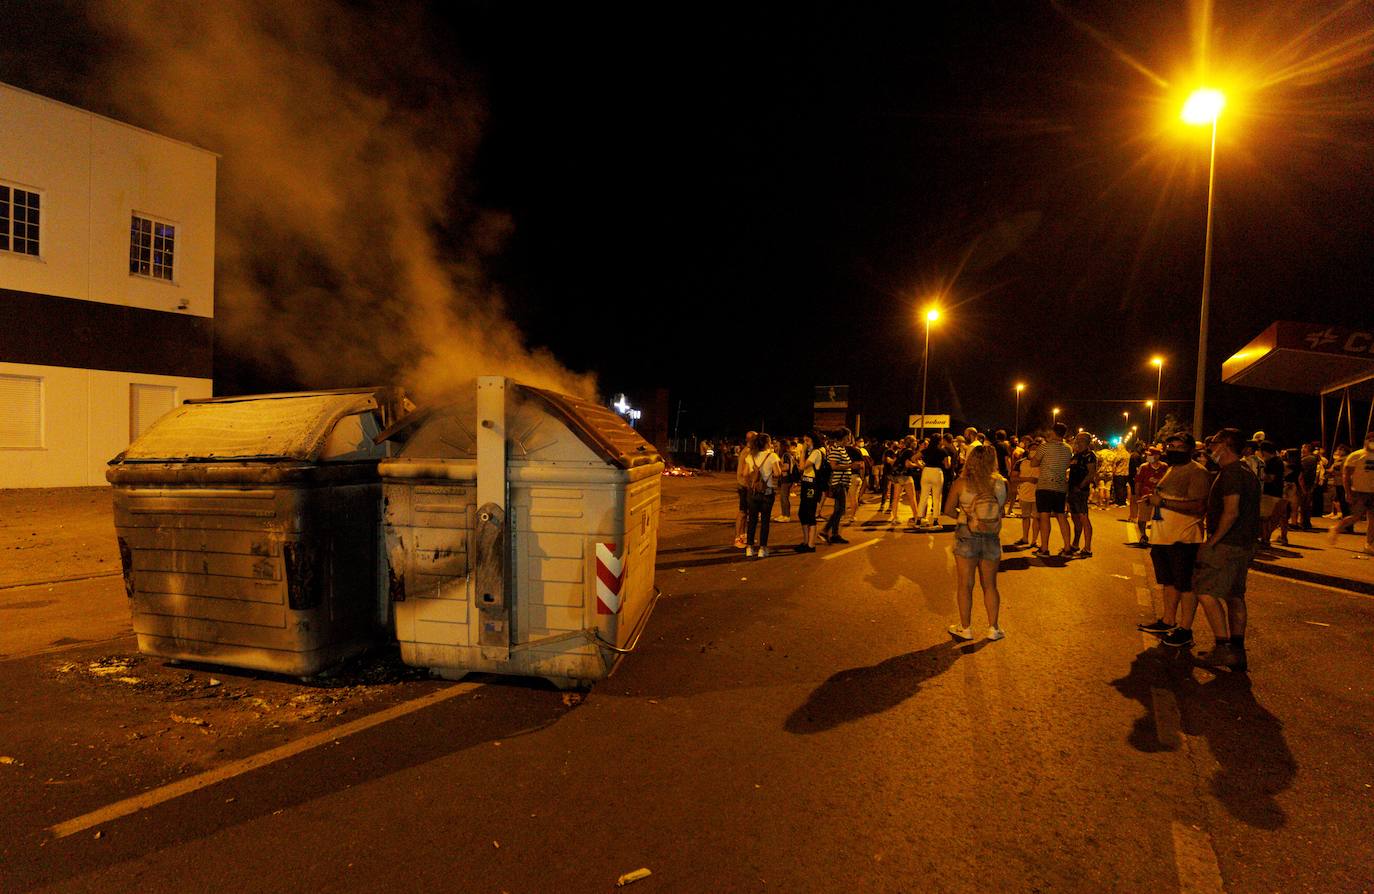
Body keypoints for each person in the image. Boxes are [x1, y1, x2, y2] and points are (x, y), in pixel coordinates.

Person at [1167, 429, 1262, 671]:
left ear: (1226, 445)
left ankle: (1223, 648)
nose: (1211, 448)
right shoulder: (1246, 472)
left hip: (1227, 544)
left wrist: (1212, 541)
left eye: (1215, 443)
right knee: (1235, 596)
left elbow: (1231, 511)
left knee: (1205, 592)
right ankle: (1238, 651)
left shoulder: (1230, 474)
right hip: (1244, 543)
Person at [1142, 434, 1212, 642]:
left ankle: (1185, 629)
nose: (1173, 450)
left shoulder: (1197, 472)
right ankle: (1168, 620)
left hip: (1184, 539)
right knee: (1169, 582)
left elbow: (1199, 507)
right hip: (1163, 537)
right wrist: (1154, 500)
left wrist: (1162, 503)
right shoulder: (1172, 469)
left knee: (1186, 585)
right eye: (1171, 446)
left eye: (1180, 447)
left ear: (1191, 450)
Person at [943, 444, 1007, 642]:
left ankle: (965, 628)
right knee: (990, 585)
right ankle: (993, 628)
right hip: (991, 536)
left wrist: (966, 516)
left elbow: (947, 510)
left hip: (966, 534)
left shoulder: (961, 483)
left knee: (965, 584)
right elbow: (1001, 508)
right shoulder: (1001, 483)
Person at [1329, 431, 1374, 555]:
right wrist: (1347, 492)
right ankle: (1336, 529)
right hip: (1359, 491)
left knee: (1372, 520)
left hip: (1373, 491)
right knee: (1356, 517)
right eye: (1370, 439)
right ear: (1366, 441)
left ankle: (1368, 544)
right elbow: (1346, 475)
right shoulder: (1356, 455)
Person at [1033, 422, 1074, 558]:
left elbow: (1034, 462)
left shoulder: (1044, 446)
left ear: (1053, 432)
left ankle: (1044, 549)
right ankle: (1067, 548)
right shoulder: (1068, 448)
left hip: (1044, 486)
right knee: (1061, 516)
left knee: (1044, 517)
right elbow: (1067, 464)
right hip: (1060, 487)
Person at [743, 433, 781, 557]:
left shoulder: (750, 456)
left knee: (752, 520)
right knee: (765, 521)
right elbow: (777, 472)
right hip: (767, 492)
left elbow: (745, 474)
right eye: (769, 442)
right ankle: (762, 549)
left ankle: (749, 548)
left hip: (753, 492)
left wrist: (753, 480)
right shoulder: (772, 456)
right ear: (766, 443)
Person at [820, 428, 856, 544]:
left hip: (842, 483)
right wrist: (851, 466)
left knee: (838, 509)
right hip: (838, 483)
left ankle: (835, 534)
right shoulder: (836, 449)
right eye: (848, 436)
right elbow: (833, 466)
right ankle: (825, 530)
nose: (850, 439)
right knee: (841, 510)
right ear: (843, 437)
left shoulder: (842, 449)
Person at [1066, 431, 1098, 557]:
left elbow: (1091, 473)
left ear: (1086, 441)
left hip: (1080, 491)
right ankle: (1075, 543)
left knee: (1084, 518)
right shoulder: (1076, 455)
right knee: (1075, 518)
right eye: (1077, 440)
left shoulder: (1090, 456)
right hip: (1072, 490)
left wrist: (1081, 486)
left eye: (1080, 440)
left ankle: (1087, 547)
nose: (1077, 442)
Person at [794, 432, 826, 553]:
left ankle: (811, 544)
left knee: (809, 513)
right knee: (802, 513)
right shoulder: (812, 452)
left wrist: (802, 452)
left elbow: (802, 467)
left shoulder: (816, 452)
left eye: (807, 441)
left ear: (813, 440)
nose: (805, 443)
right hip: (806, 483)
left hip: (812, 485)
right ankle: (805, 541)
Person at [1132, 447, 1166, 545]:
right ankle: (1143, 535)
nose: (1147, 457)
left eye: (1150, 455)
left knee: (1159, 519)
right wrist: (1137, 495)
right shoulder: (1144, 467)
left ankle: (1158, 538)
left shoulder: (1164, 467)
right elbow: (1138, 481)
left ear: (1157, 456)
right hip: (1145, 496)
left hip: (1160, 497)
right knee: (1142, 518)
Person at [1257, 441, 1286, 549]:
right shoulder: (1278, 461)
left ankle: (1265, 540)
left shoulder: (1272, 462)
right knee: (1268, 518)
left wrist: (1260, 476)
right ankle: (1265, 538)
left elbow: (1270, 478)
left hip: (1270, 493)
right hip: (1276, 492)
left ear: (1264, 451)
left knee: (1264, 518)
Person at [1010, 443, 1039, 548]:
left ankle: (1034, 541)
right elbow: (1013, 478)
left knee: (1037, 518)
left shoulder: (1042, 463)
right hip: (1024, 494)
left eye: (1037, 449)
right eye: (1032, 449)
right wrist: (1027, 479)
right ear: (1028, 449)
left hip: (1038, 495)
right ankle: (1025, 538)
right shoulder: (1020, 463)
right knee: (1025, 517)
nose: (1034, 451)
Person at [732, 431, 757, 548]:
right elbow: (744, 472)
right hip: (744, 486)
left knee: (746, 512)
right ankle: (737, 538)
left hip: (744, 485)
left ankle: (743, 535)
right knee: (742, 512)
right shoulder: (747, 452)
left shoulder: (748, 451)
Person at [917, 435, 950, 527]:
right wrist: (948, 461)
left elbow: (914, 458)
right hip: (937, 472)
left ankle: (918, 520)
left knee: (923, 496)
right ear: (939, 441)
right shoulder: (943, 451)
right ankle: (935, 521)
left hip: (926, 471)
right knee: (936, 497)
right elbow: (947, 466)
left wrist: (921, 466)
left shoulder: (925, 450)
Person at [887, 436, 920, 525]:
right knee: (912, 498)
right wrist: (918, 465)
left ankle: (894, 517)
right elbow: (908, 464)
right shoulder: (909, 451)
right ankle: (917, 518)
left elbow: (895, 462)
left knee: (896, 498)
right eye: (915, 441)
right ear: (912, 442)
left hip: (897, 476)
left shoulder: (901, 451)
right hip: (905, 476)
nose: (916, 443)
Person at [773, 438, 795, 523]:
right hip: (785, 478)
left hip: (787, 479)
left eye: (777, 446)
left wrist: (776, 469)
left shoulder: (785, 455)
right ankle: (783, 514)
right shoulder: (785, 455)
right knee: (782, 498)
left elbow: (786, 467)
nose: (776, 447)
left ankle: (786, 516)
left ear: (782, 446)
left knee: (784, 497)